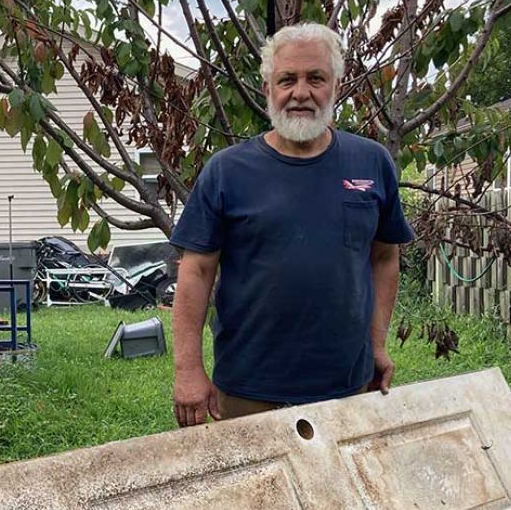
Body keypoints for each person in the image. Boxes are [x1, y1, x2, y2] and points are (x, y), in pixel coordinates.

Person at [169, 22, 414, 427]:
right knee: (255, 490)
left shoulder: (372, 163)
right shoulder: (226, 171)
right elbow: (196, 271)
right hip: (248, 389)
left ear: (335, 84)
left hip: (347, 385)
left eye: (315, 78)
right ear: (268, 89)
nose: (301, 92)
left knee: (339, 490)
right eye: (287, 79)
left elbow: (385, 256)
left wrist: (377, 344)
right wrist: (188, 369)